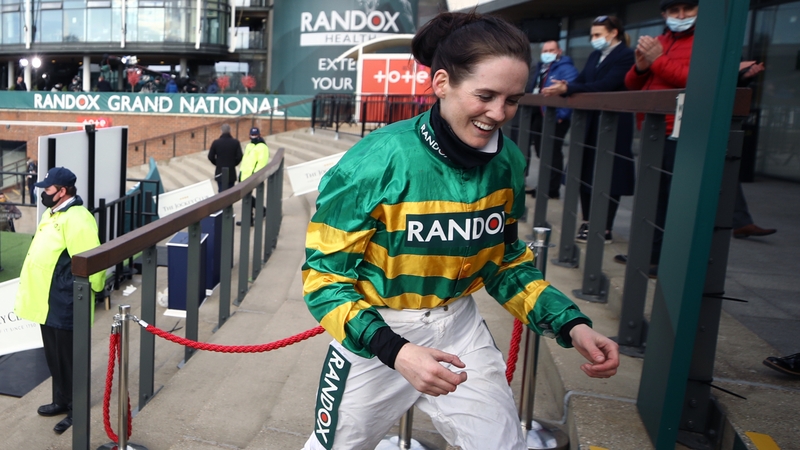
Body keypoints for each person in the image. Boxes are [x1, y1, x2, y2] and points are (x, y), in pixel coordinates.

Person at [300, 12, 620, 450]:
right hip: (374, 336)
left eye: (512, 100)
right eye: (485, 95)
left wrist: (573, 325)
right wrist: (396, 350)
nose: (498, 113)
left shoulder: (507, 161)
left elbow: (506, 265)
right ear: (442, 83)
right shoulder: (372, 162)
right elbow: (324, 281)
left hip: (460, 330)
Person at [13, 167, 105, 434]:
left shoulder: (78, 218)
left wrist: (95, 291)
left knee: (69, 359)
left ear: (62, 191)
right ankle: (61, 400)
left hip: (66, 299)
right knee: (54, 356)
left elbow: (92, 259)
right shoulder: (53, 211)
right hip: (47, 298)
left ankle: (77, 410)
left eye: (48, 189)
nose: (43, 193)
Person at [542, 16, 636, 245]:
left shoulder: (625, 55)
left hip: (614, 124)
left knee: (611, 174)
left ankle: (604, 227)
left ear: (613, 33)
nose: (594, 39)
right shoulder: (595, 55)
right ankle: (588, 221)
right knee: (584, 170)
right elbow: (584, 81)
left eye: (598, 34)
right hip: (590, 123)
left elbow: (605, 86)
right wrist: (567, 88)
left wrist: (569, 87)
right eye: (592, 35)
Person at [525, 40, 578, 199]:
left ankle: (551, 189)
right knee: (542, 152)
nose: (547, 53)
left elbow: (571, 92)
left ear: (559, 51)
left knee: (552, 152)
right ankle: (544, 186)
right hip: (540, 115)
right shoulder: (542, 69)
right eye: (545, 50)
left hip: (555, 117)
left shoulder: (566, 68)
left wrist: (562, 115)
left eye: (551, 50)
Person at [236, 127, 270, 226]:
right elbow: (245, 161)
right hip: (245, 175)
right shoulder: (249, 146)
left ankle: (249, 219)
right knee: (246, 197)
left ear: (259, 135)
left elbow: (261, 163)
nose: (253, 137)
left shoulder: (262, 147)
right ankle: (257, 213)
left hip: (252, 176)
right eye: (252, 135)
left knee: (246, 197)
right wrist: (241, 173)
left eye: (255, 135)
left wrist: (254, 176)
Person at [207, 123, 243, 192]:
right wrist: (233, 163)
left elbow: (210, 156)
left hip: (220, 171)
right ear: (230, 131)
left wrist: (217, 163)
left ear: (221, 131)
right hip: (231, 172)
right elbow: (239, 156)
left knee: (221, 191)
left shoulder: (216, 142)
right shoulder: (235, 142)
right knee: (230, 192)